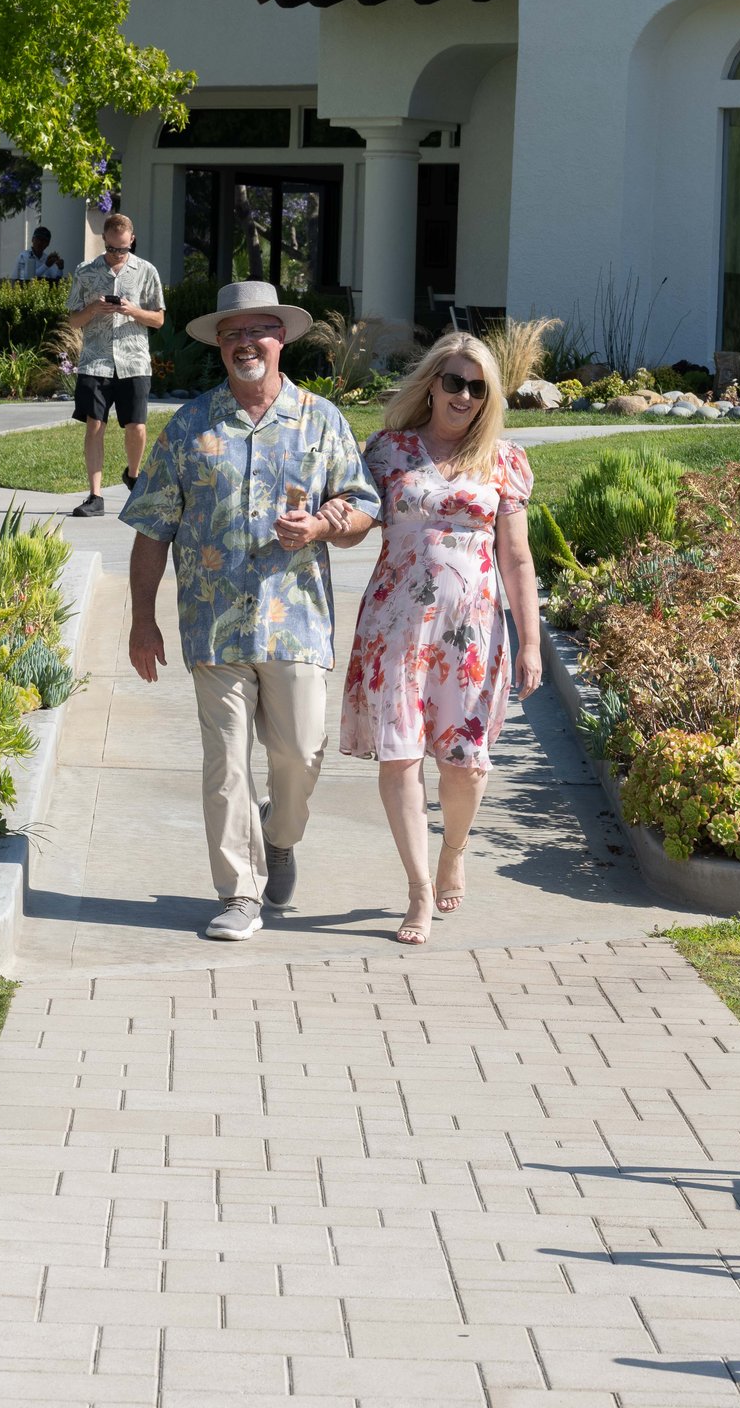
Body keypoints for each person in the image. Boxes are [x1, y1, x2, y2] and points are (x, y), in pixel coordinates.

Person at [120, 280, 378, 942]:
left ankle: (279, 837)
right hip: (214, 627)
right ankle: (238, 892)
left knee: (301, 754)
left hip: (297, 624)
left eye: (257, 331)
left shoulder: (322, 420)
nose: (244, 344)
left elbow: (362, 508)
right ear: (220, 345)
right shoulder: (189, 427)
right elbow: (151, 529)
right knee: (225, 765)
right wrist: (143, 620)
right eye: (231, 334)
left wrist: (321, 526)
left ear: (280, 337)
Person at [337, 332, 544, 945]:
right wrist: (324, 524)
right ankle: (419, 889)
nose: (464, 396)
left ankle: (454, 850)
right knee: (399, 755)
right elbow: (357, 522)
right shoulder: (388, 451)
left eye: (478, 388)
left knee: (465, 765)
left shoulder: (502, 461)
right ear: (431, 383)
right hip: (396, 629)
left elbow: (517, 558)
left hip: (471, 636)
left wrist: (530, 643)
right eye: (454, 381)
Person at [65, 212, 164, 518]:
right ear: (104, 240)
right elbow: (73, 320)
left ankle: (133, 475)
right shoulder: (85, 272)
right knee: (95, 424)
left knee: (137, 426)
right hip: (95, 360)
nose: (117, 253)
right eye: (111, 248)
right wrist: (94, 308)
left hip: (134, 361)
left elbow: (158, 319)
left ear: (131, 240)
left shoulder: (146, 271)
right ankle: (95, 496)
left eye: (123, 248)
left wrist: (133, 310)